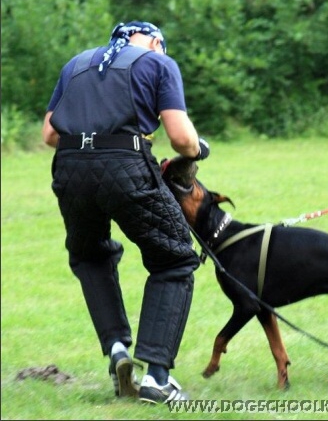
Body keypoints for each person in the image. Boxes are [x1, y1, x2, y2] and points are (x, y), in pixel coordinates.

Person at [42, 21, 210, 405]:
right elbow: (181, 137)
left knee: (90, 255)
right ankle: (156, 378)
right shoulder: (157, 62)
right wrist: (197, 151)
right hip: (126, 164)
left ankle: (117, 348)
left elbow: (50, 135)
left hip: (69, 167)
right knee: (174, 260)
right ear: (154, 42)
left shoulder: (76, 64)